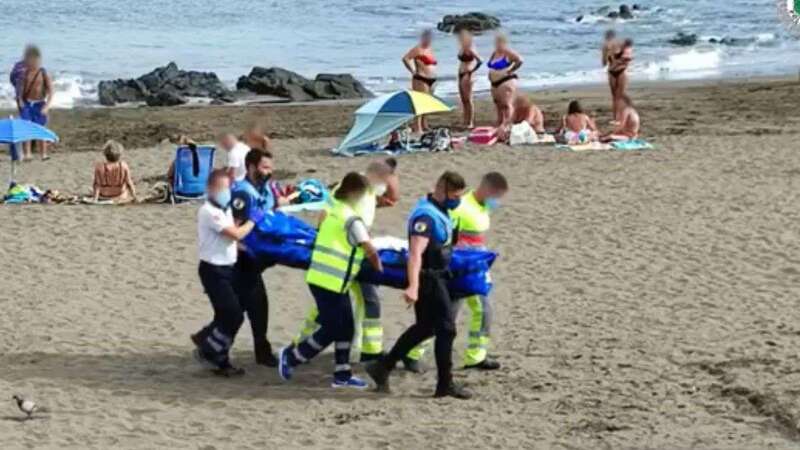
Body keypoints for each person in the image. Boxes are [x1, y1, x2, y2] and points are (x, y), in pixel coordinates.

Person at [366, 171, 472, 399]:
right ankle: (445, 384)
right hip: (428, 278)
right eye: (455, 195)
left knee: (426, 327)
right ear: (442, 190)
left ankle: (383, 365)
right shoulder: (425, 217)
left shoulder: (441, 211)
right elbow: (415, 254)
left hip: (439, 275)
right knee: (446, 328)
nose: (458, 200)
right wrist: (413, 286)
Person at [278, 172, 383, 389]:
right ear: (356, 194)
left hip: (324, 278)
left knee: (346, 328)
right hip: (331, 281)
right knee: (333, 329)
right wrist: (378, 268)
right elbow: (369, 249)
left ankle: (342, 375)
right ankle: (292, 357)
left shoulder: (334, 211)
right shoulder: (352, 220)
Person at [292, 159, 399, 363]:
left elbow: (394, 197)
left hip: (353, 251)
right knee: (350, 303)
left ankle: (369, 351)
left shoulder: (369, 190)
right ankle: (302, 344)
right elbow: (325, 214)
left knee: (361, 302)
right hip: (344, 254)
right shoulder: (353, 187)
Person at [191, 169, 262, 377]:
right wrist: (253, 220)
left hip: (228, 267)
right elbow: (235, 233)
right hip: (213, 270)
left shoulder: (225, 209)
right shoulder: (208, 211)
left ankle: (217, 354)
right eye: (222, 188)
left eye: (228, 188)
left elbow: (231, 239)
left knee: (228, 315)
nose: (227, 192)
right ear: (211, 189)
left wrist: (247, 249)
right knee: (233, 315)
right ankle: (208, 349)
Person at [230, 149, 286, 366]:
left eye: (270, 168)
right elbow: (234, 232)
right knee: (247, 307)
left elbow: (271, 211)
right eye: (265, 168)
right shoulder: (243, 193)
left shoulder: (265, 189)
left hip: (258, 257)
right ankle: (211, 345)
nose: (269, 172)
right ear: (252, 167)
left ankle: (261, 352)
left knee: (254, 306)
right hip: (242, 259)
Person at [17, 45, 54, 161]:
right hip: (28, 104)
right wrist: (21, 102)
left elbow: (51, 91)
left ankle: (43, 154)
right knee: (26, 128)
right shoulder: (24, 74)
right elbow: (20, 91)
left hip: (40, 104)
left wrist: (47, 106)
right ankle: (27, 153)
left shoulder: (43, 73)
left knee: (40, 128)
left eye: (34, 60)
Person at [403, 29, 438, 133]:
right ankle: (417, 126)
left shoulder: (430, 49)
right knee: (420, 103)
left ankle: (424, 124)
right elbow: (405, 58)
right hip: (421, 78)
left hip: (431, 79)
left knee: (427, 103)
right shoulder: (418, 49)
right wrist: (413, 71)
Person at [487, 34, 523, 130]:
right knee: (498, 104)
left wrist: (510, 70)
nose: (498, 44)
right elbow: (490, 65)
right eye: (496, 42)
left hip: (505, 80)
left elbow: (520, 60)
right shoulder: (494, 53)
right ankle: (500, 124)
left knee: (506, 104)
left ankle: (508, 124)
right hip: (494, 83)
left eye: (500, 42)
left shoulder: (508, 52)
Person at [456, 29, 482, 129]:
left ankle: (470, 122)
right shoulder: (462, 47)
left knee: (468, 99)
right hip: (461, 73)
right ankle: (465, 120)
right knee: (463, 99)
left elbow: (480, 61)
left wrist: (472, 71)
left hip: (468, 74)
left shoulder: (471, 48)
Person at [607, 38, 634, 123]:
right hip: (612, 72)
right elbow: (610, 58)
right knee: (615, 96)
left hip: (621, 72)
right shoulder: (616, 50)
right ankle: (615, 117)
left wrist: (619, 60)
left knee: (619, 96)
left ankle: (623, 114)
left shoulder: (628, 51)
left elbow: (628, 59)